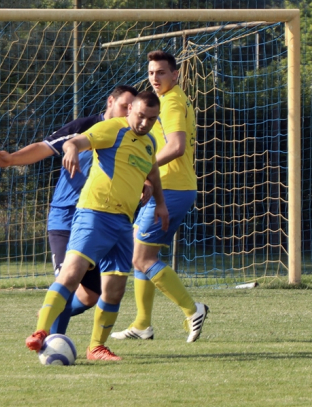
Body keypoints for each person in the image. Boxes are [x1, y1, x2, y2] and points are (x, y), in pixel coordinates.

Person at [26, 91, 169, 361]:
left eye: (152, 119)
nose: (144, 123)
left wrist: (160, 203)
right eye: (140, 116)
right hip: (95, 214)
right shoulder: (112, 128)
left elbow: (153, 172)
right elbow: (77, 141)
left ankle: (96, 347)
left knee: (114, 289)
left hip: (123, 223)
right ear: (130, 110)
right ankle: (41, 332)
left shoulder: (149, 142)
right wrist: (71, 149)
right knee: (71, 273)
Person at [0, 85, 140, 334]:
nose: (128, 113)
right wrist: (11, 159)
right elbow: (45, 147)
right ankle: (51, 340)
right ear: (110, 102)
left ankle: (51, 310)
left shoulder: (130, 137)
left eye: (132, 109)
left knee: (91, 294)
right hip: (66, 217)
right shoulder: (85, 127)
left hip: (99, 219)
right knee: (68, 282)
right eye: (124, 106)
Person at [111, 50, 209, 343]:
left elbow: (176, 146)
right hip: (165, 187)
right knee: (140, 254)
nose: (155, 78)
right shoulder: (168, 99)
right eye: (151, 72)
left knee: (142, 257)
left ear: (175, 74)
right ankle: (142, 324)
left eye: (161, 72)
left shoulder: (172, 102)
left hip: (173, 188)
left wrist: (144, 168)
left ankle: (193, 309)